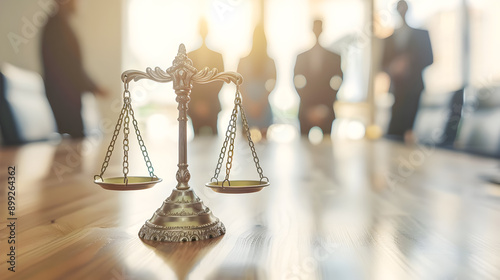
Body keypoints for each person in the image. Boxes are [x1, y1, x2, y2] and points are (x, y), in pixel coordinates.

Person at [41, 0, 105, 138]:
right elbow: (70, 66)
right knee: (74, 144)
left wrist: (93, 86)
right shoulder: (56, 26)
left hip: (67, 99)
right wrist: (93, 87)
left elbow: (72, 65)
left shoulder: (61, 24)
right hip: (64, 101)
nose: (78, 4)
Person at [382, 0, 433, 139]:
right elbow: (381, 65)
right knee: (394, 131)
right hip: (396, 89)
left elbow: (430, 58)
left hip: (415, 89)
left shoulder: (421, 34)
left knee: (412, 129)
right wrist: (392, 67)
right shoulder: (388, 39)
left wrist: (409, 62)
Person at [294, 19, 343, 136]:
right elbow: (296, 81)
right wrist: (308, 108)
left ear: (322, 29)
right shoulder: (301, 56)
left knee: (327, 148)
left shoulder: (334, 57)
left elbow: (338, 80)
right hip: (306, 109)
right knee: (304, 147)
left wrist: (324, 107)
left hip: (326, 108)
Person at [237, 23, 276, 137]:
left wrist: (261, 102)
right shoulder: (243, 60)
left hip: (263, 105)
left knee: (264, 142)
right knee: (245, 144)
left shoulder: (270, 61)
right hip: (247, 104)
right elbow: (238, 83)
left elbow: (272, 83)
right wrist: (249, 102)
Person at [188, 18, 224, 135]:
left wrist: (206, 103)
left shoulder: (217, 56)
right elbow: (187, 81)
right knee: (196, 141)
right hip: (195, 106)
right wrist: (198, 102)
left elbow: (220, 80)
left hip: (212, 105)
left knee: (214, 142)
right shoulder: (189, 56)